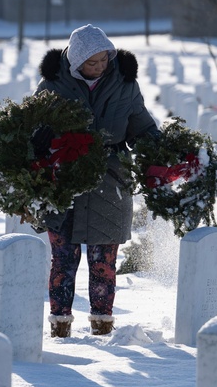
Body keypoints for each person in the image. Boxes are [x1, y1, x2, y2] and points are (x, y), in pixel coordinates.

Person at [35, 24, 159, 338]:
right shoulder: (52, 85)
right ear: (76, 63)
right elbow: (34, 132)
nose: (101, 66)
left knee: (104, 261)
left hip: (110, 181)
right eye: (93, 62)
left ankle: (102, 326)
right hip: (65, 181)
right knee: (63, 259)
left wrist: (166, 151)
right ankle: (59, 327)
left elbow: (141, 125)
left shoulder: (124, 83)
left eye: (104, 59)